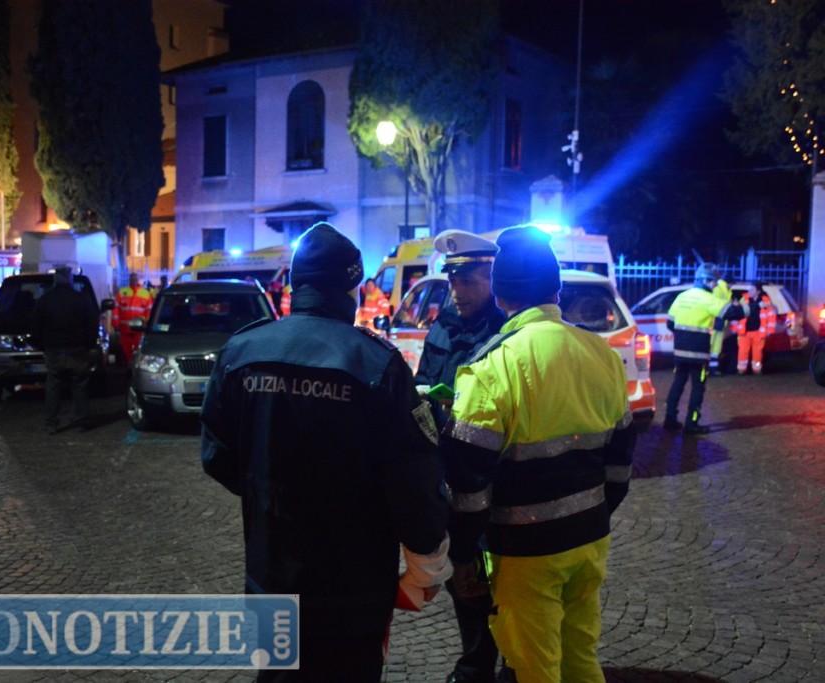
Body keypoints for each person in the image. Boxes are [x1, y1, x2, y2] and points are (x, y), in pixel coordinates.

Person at [200, 222, 452, 682]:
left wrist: (272, 489)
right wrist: (427, 566)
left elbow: (217, 456)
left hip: (271, 576)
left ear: (295, 286)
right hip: (352, 589)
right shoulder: (376, 364)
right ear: (351, 289)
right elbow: (414, 481)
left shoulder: (241, 352)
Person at [441, 226, 636, 683]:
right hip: (589, 539)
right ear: (556, 290)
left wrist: (463, 554)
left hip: (524, 553)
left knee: (533, 667)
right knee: (580, 657)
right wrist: (593, 514)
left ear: (500, 295)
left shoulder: (492, 367)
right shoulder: (602, 354)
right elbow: (621, 462)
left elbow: (468, 484)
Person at [412, 230, 506, 683]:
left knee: (499, 578)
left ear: (492, 279)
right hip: (451, 472)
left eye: (468, 281)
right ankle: (476, 663)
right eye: (452, 281)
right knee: (463, 577)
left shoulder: (505, 331)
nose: (457, 291)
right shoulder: (443, 326)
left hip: (494, 478)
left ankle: (510, 662)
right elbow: (423, 382)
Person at [664, 263, 744, 434]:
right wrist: (754, 308)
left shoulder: (682, 296)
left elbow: (670, 323)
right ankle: (691, 424)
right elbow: (732, 313)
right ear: (706, 281)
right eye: (714, 282)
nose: (715, 285)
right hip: (699, 353)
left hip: (680, 351)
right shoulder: (708, 299)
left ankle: (670, 419)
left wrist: (683, 335)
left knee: (677, 383)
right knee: (698, 388)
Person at [31, 266, 100, 434]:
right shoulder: (82, 299)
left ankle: (51, 423)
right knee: (80, 386)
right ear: (70, 279)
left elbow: (36, 326)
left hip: (54, 350)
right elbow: (92, 325)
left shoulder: (45, 300)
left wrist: (42, 346)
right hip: (78, 350)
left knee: (53, 387)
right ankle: (81, 421)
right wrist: (89, 345)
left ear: (55, 279)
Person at [732, 282, 776, 375]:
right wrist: (734, 328)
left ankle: (757, 369)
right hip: (744, 332)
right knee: (742, 352)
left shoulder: (766, 303)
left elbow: (771, 317)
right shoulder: (744, 300)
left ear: (758, 291)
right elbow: (737, 315)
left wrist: (770, 331)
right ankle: (741, 370)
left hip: (758, 332)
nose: (749, 291)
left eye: (752, 290)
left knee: (757, 353)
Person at [113, 272, 152, 364]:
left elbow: (149, 311)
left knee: (138, 349)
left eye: (135, 279)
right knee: (126, 349)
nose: (133, 280)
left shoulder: (145, 293)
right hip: (125, 329)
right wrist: (115, 324)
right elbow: (116, 309)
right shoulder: (122, 292)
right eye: (132, 279)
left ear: (138, 280)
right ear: (129, 280)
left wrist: (145, 323)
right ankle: (129, 364)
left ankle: (134, 364)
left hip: (139, 329)